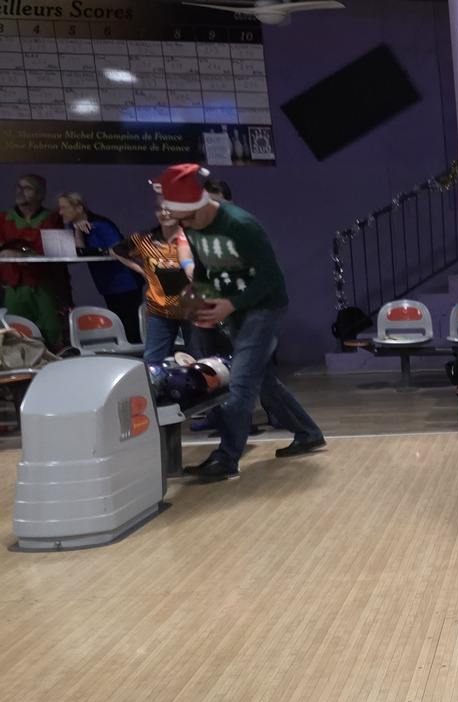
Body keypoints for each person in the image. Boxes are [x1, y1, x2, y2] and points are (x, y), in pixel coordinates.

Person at [152, 163, 325, 481]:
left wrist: (231, 303)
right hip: (233, 308)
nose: (185, 227)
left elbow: (271, 278)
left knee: (241, 380)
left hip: (265, 307)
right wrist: (199, 293)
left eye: (187, 219)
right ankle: (308, 433)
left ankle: (226, 458)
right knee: (261, 378)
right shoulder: (191, 224)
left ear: (201, 205)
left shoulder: (242, 225)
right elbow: (203, 267)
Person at [111, 204, 203, 366]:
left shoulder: (194, 239)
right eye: (161, 209)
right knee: (152, 362)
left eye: (170, 209)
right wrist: (142, 270)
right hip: (160, 310)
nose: (165, 213)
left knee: (201, 361)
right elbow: (117, 251)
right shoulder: (144, 238)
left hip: (193, 310)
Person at [56, 192, 143, 341]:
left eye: (64, 208)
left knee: (131, 328)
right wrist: (78, 232)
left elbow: (120, 250)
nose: (60, 212)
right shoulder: (73, 228)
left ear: (79, 208)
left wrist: (98, 251)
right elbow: (79, 253)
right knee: (118, 326)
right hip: (107, 283)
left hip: (125, 281)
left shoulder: (101, 224)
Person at [0, 174, 70, 348]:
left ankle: (56, 360)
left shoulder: (52, 218)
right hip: (13, 284)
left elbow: (55, 249)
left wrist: (20, 253)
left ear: (39, 194)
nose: (20, 191)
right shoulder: (4, 218)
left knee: (53, 328)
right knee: (16, 329)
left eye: (27, 188)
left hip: (44, 284)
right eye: (19, 187)